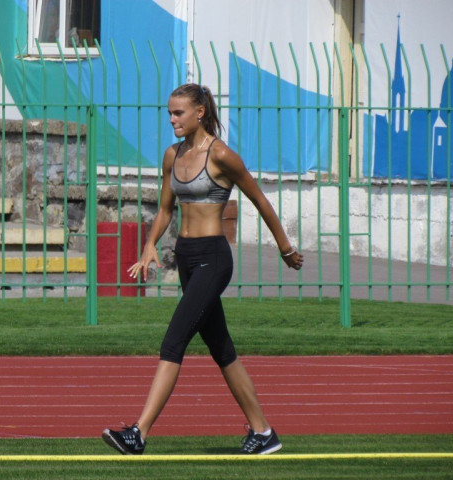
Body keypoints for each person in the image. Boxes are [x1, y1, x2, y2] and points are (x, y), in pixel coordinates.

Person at [102, 83, 304, 455]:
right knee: (221, 348)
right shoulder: (172, 155)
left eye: (178, 112)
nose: (172, 119)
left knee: (173, 341)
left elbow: (260, 201)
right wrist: (149, 246)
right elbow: (165, 209)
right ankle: (263, 432)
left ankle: (138, 434)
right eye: (169, 113)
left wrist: (285, 248)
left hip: (213, 258)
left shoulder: (221, 154)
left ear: (200, 112)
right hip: (186, 257)